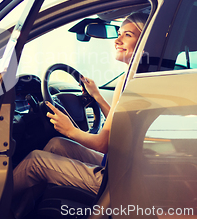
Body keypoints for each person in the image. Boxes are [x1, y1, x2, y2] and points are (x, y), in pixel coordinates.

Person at [11, 12, 149, 218]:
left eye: (127, 35)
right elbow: (120, 125)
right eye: (118, 33)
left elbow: (103, 143)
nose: (117, 41)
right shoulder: (138, 76)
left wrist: (70, 129)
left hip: (116, 181)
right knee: (55, 144)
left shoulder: (131, 81)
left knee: (34, 161)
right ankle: (24, 211)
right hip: (122, 167)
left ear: (144, 40)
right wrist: (98, 97)